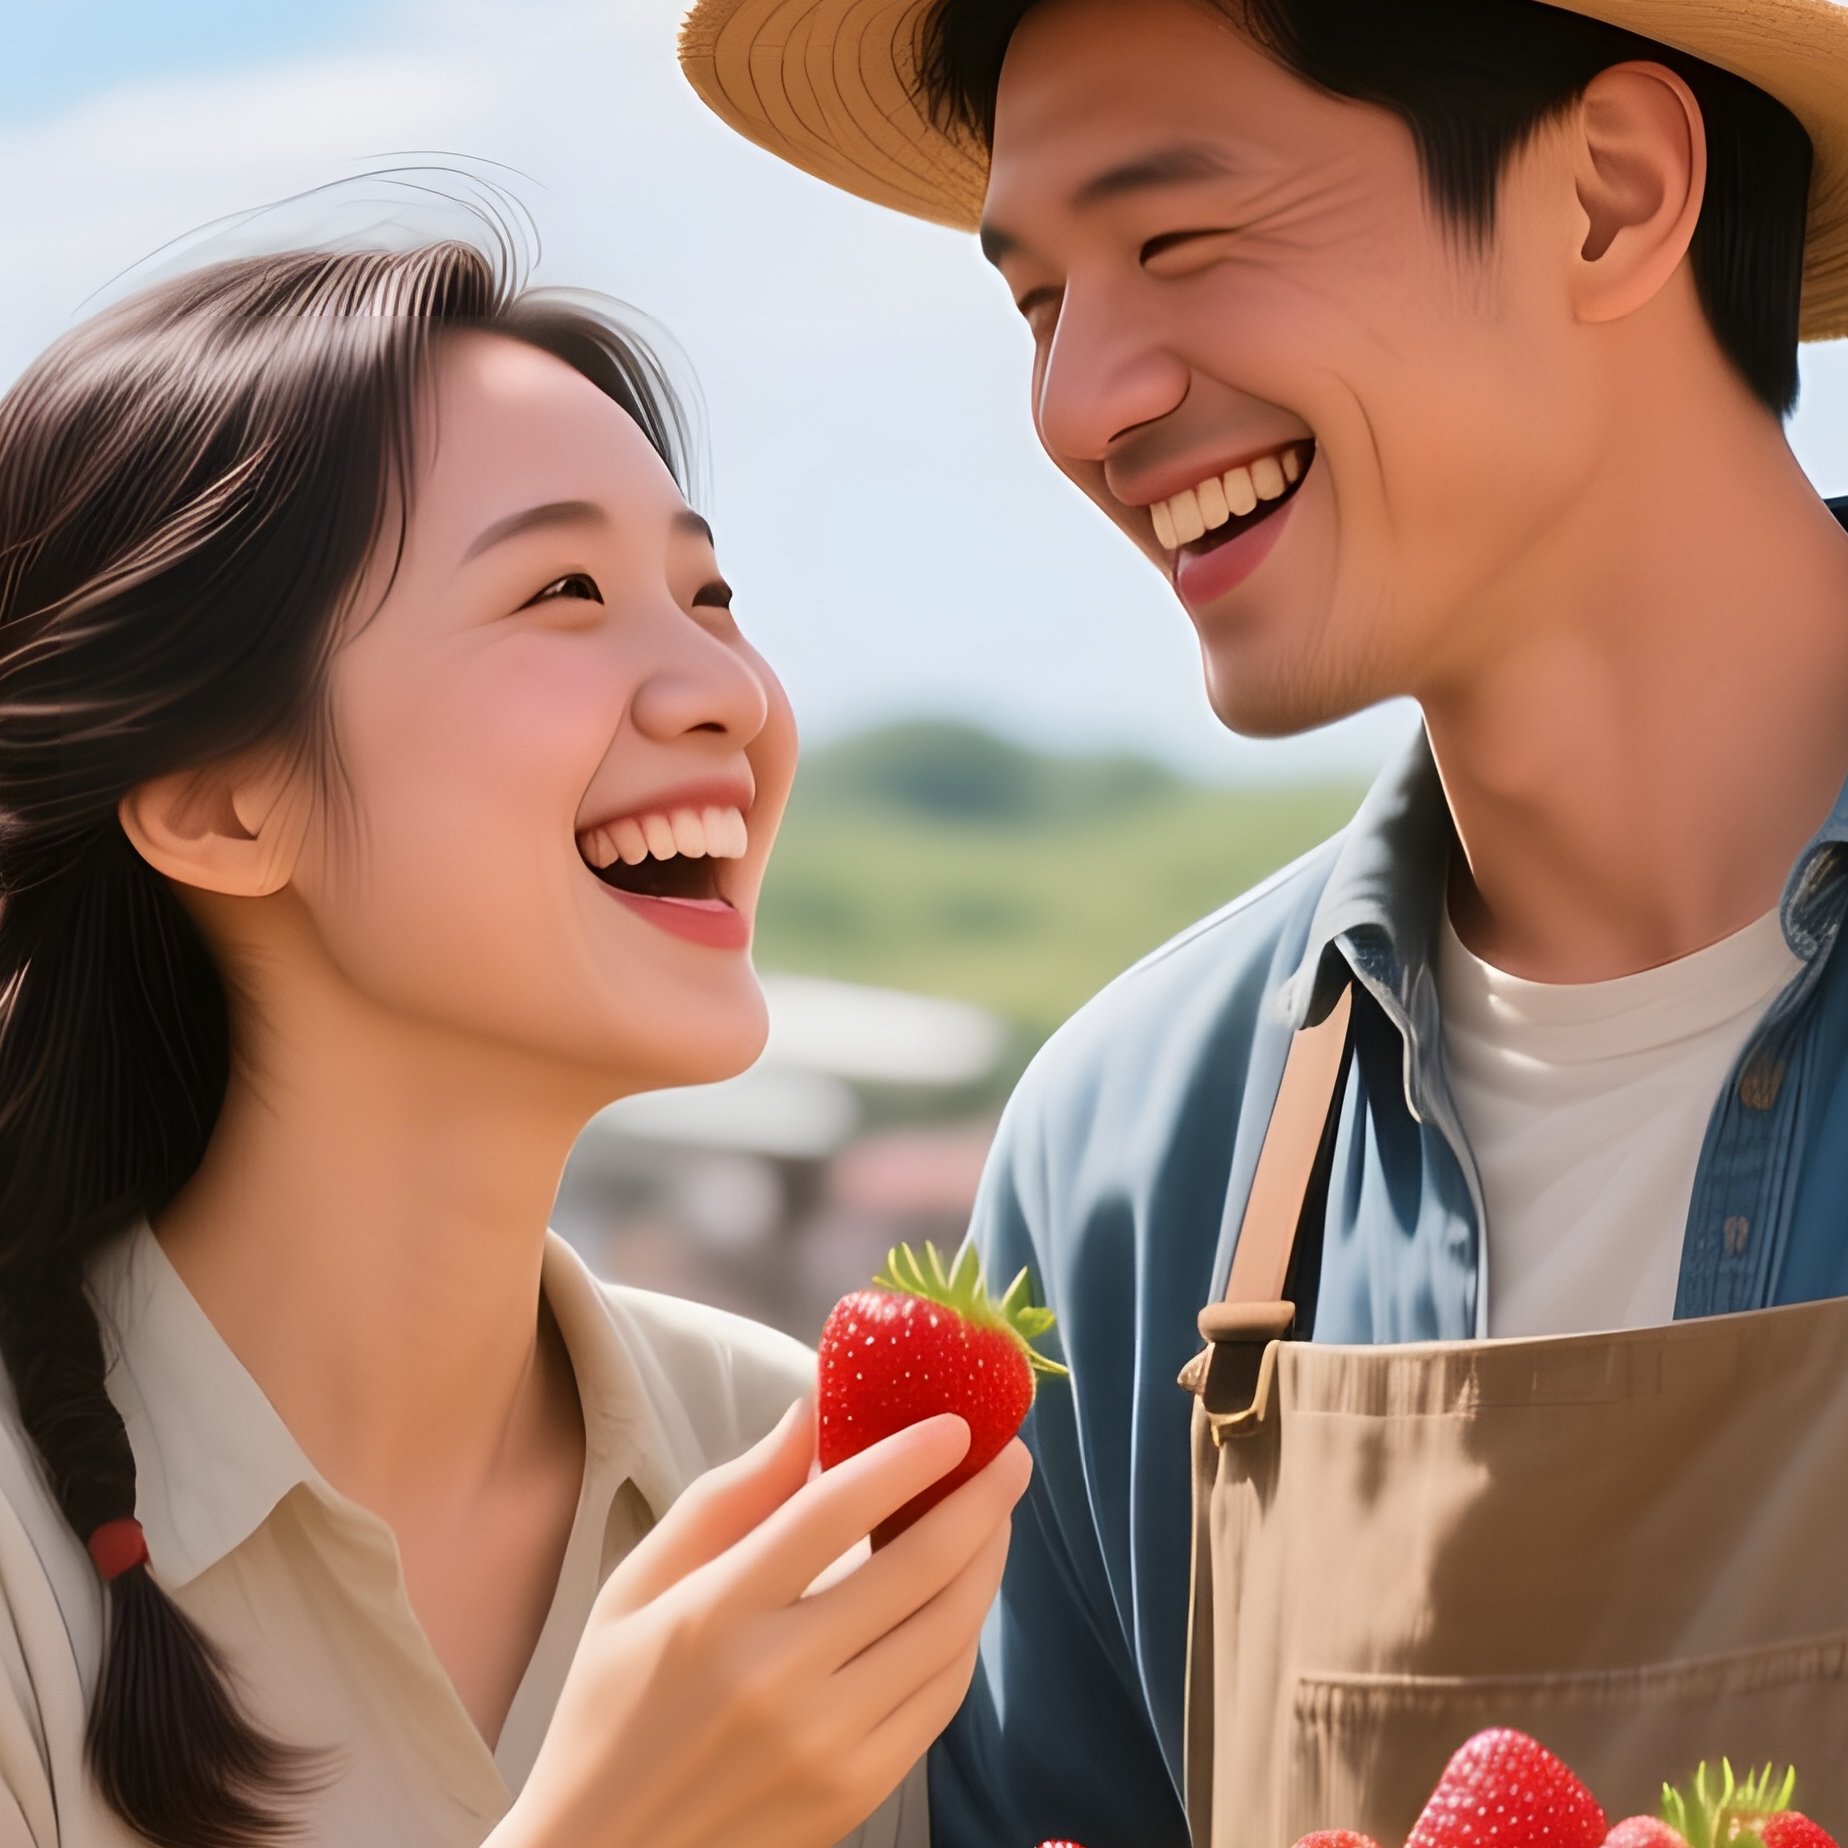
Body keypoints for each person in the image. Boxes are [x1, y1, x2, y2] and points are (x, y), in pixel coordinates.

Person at [677, 0, 1848, 1841]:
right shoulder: (1122, 1160)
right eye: (1039, 304)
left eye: (1180, 239)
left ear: (1610, 198)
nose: (1081, 408)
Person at [0, 234, 1031, 1848]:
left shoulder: (810, 1465)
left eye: (710, 595)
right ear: (218, 805)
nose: (729, 693)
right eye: (565, 594)